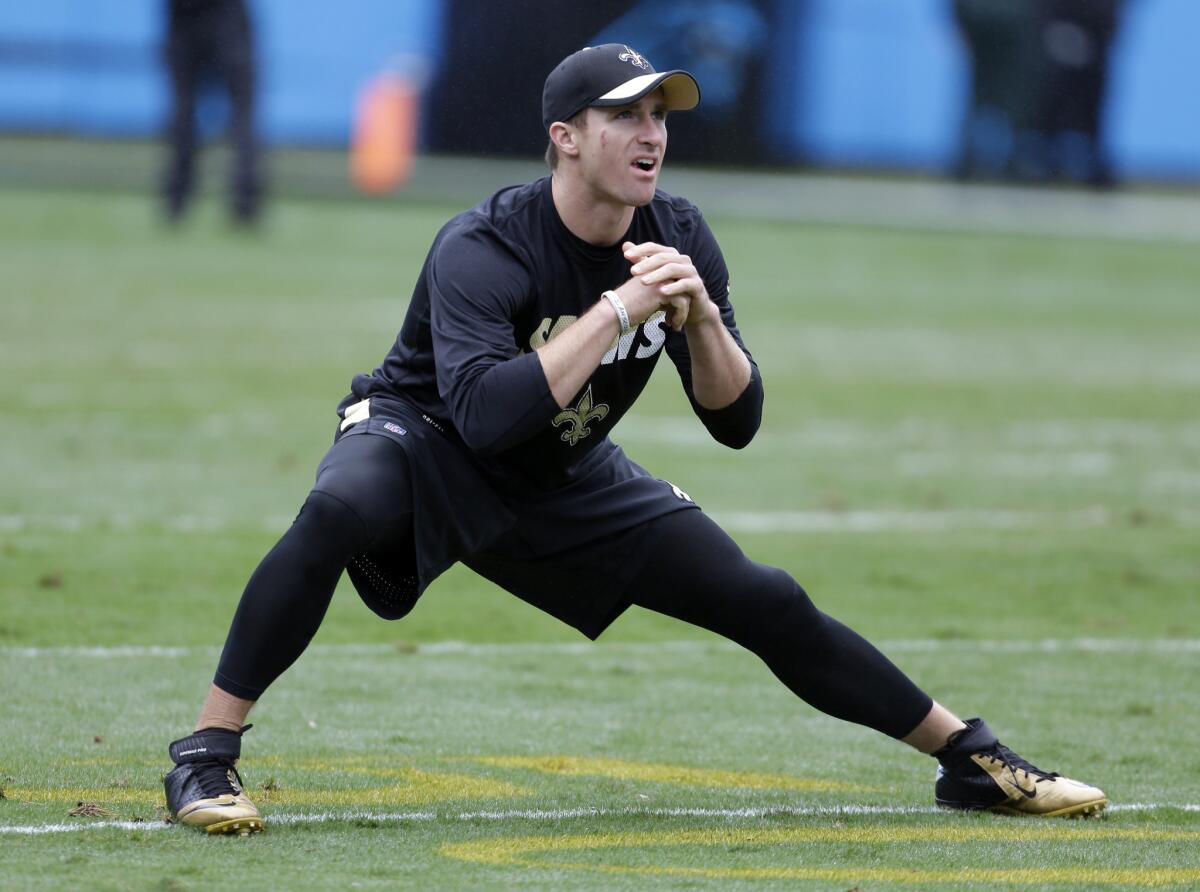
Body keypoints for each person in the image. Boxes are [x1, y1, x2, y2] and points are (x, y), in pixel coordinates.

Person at [163, 44, 1106, 835]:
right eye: (624, 116)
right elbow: (488, 416)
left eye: (661, 115)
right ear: (565, 140)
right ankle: (205, 758)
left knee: (761, 597)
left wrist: (699, 317)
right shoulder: (482, 244)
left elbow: (737, 422)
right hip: (429, 439)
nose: (651, 133)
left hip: (566, 471)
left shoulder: (679, 232)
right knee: (337, 508)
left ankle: (967, 759)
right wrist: (619, 308)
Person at [161, 0, 262, 225]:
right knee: (238, 112)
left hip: (198, 14)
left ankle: (177, 202)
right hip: (209, 15)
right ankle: (244, 204)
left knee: (185, 110)